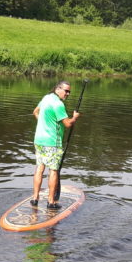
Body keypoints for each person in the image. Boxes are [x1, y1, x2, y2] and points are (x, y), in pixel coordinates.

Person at [31, 81, 80, 210]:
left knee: (39, 168)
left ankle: (35, 198)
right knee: (53, 171)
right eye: (66, 91)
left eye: (69, 91)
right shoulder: (58, 104)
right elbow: (68, 124)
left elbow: (35, 112)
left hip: (39, 140)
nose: (68, 94)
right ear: (58, 89)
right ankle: (51, 201)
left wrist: (44, 124)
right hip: (53, 142)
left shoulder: (46, 98)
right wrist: (75, 117)